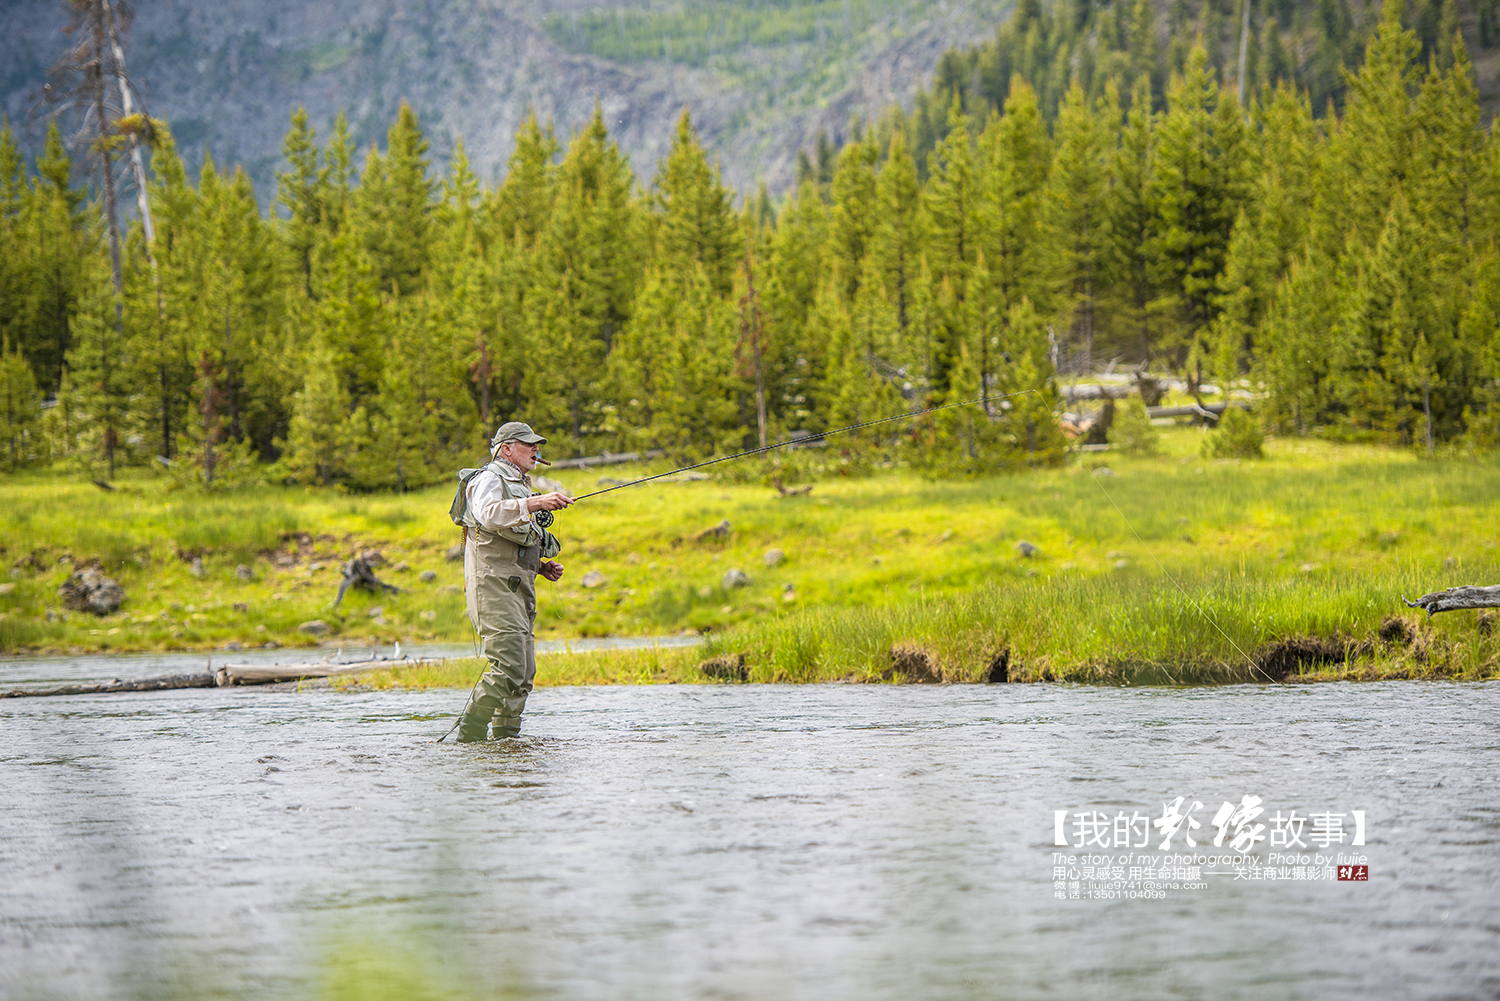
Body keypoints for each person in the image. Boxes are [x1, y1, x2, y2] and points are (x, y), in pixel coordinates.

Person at [448, 421, 574, 741]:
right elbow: (489, 514)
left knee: (524, 674)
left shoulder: (518, 483)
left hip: (519, 587)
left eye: (537, 445)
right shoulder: (489, 477)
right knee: (509, 666)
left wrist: (541, 566)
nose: (535, 449)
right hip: (493, 587)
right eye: (528, 444)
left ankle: (507, 741)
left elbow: (509, 536)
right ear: (506, 448)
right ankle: (469, 734)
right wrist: (536, 503)